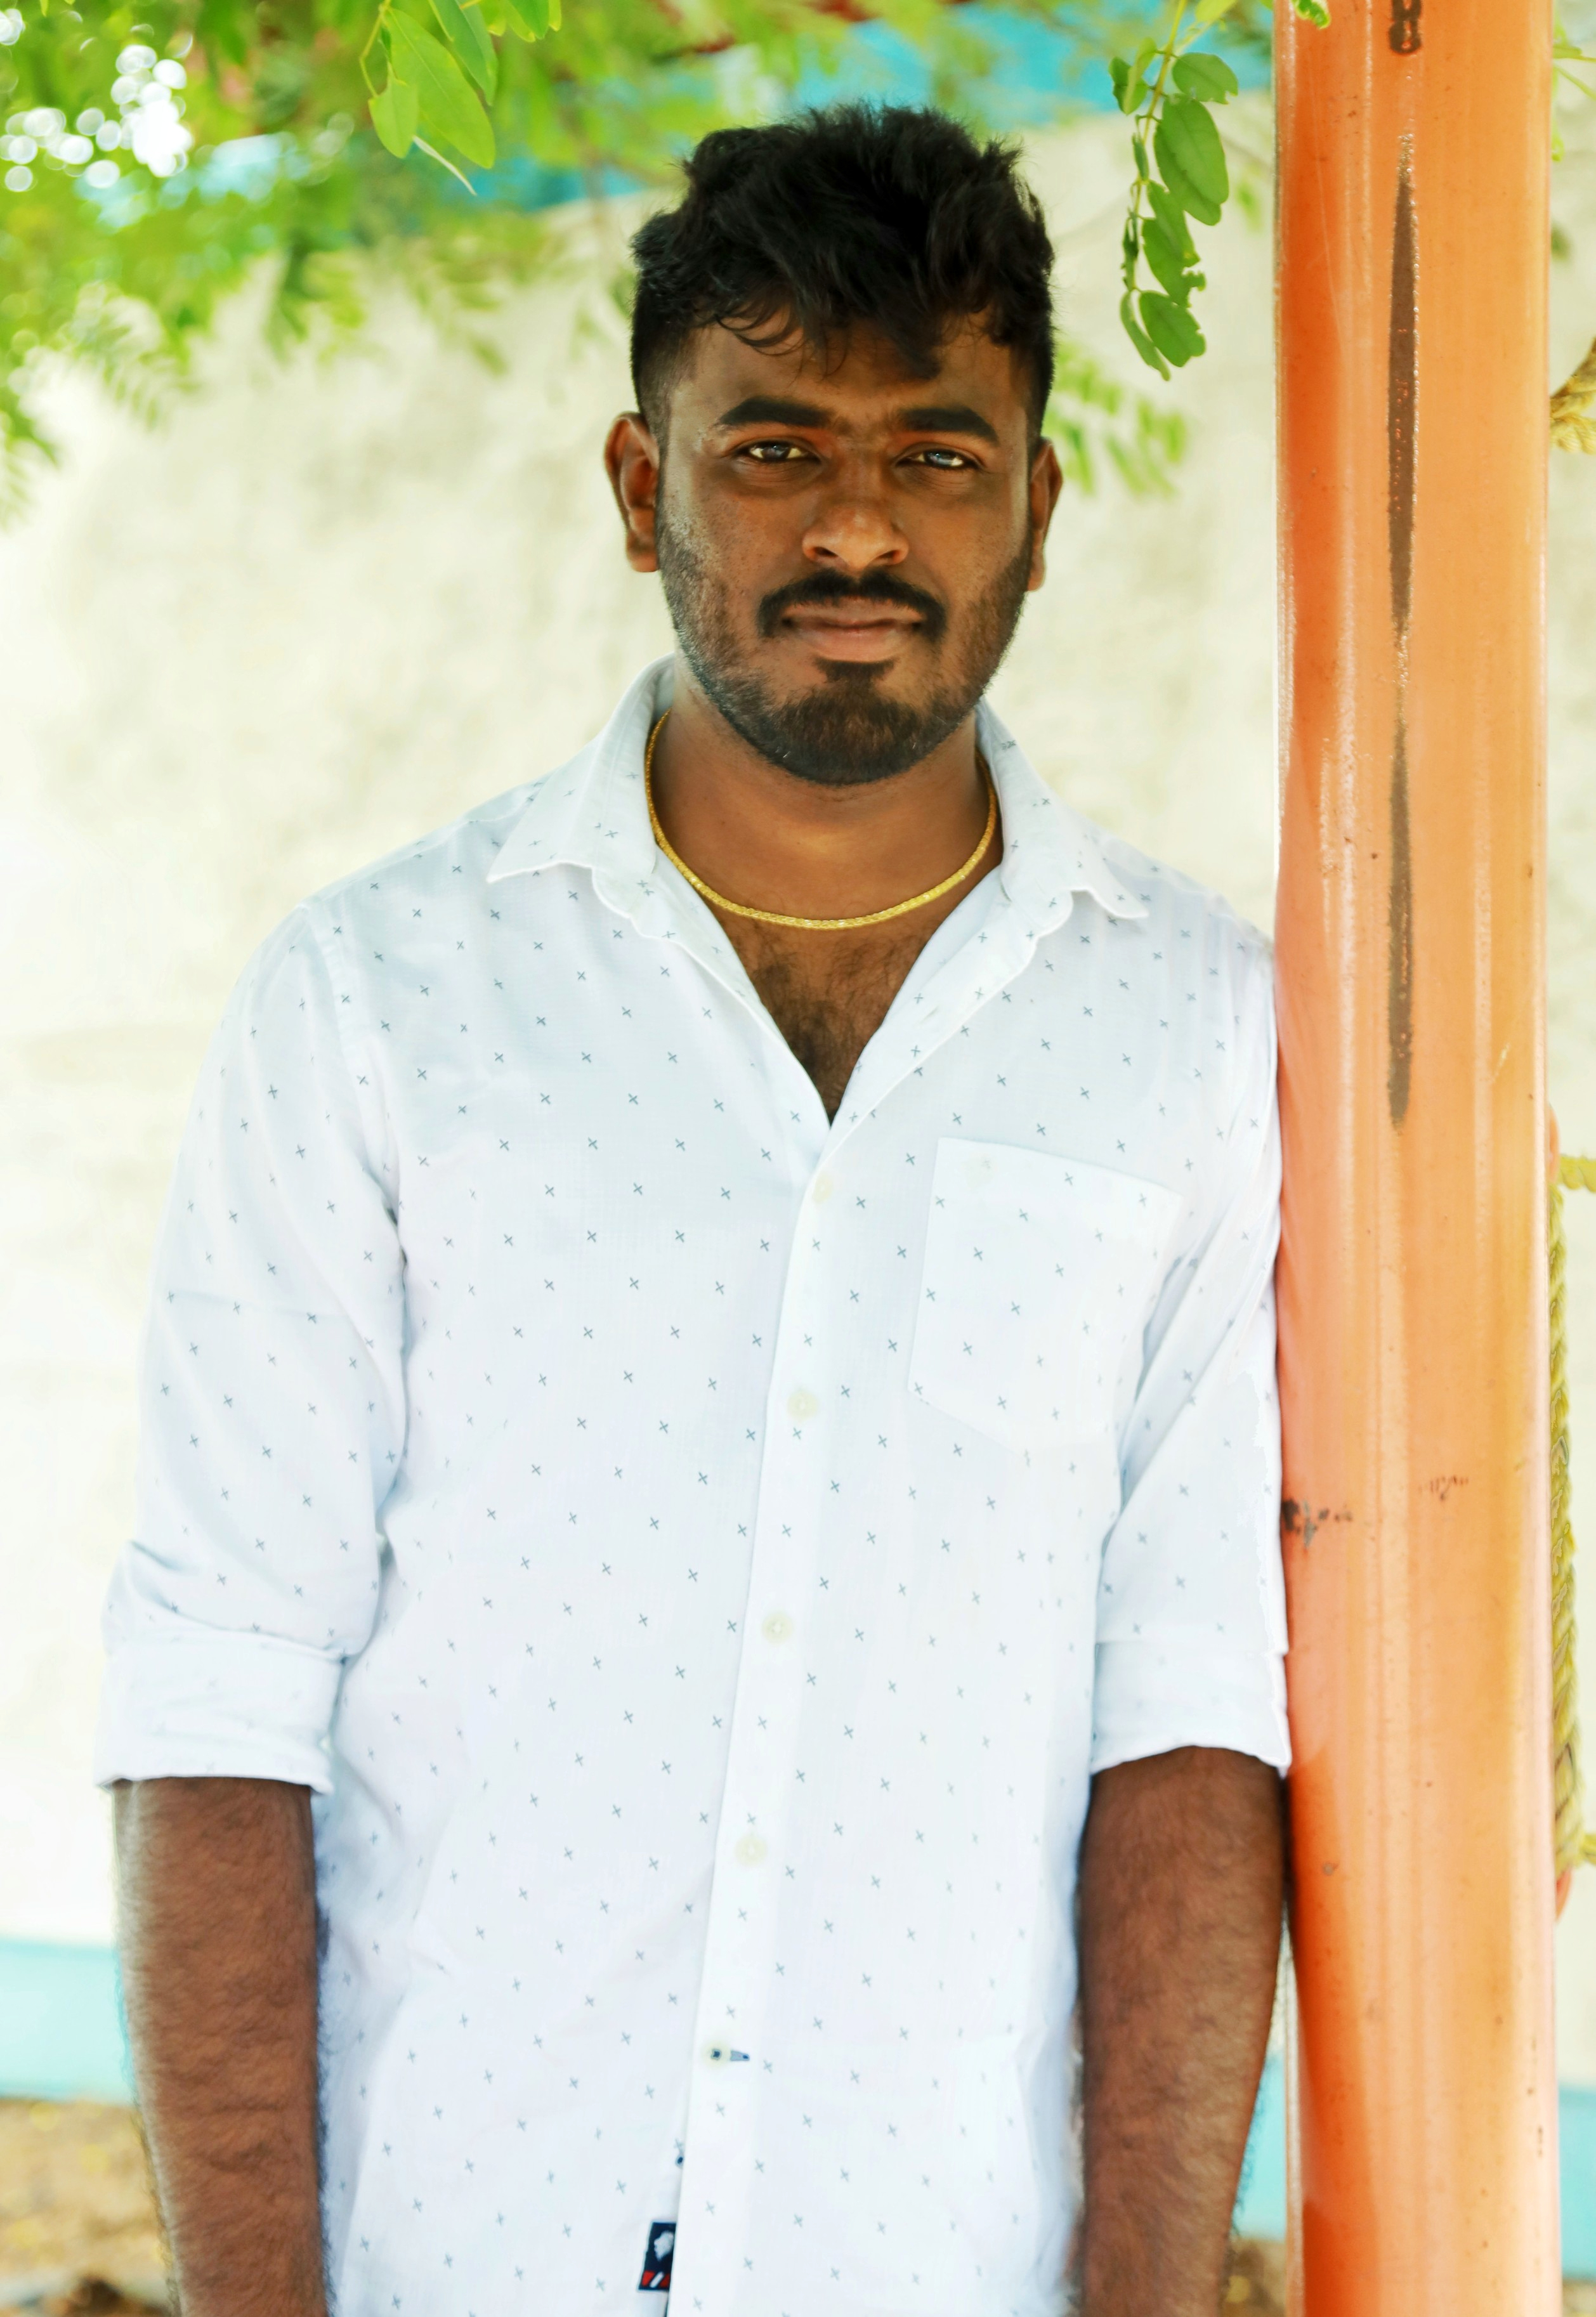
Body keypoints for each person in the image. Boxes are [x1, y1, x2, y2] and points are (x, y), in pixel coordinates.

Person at [98, 102, 1288, 2317]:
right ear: (642, 486)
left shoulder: (1193, 1030)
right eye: (773, 447)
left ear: (1038, 507)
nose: (857, 524)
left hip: (939, 2264)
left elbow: (1190, 1717)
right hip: (463, 2251)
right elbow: (222, 1692)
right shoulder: (376, 1000)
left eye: (936, 452)